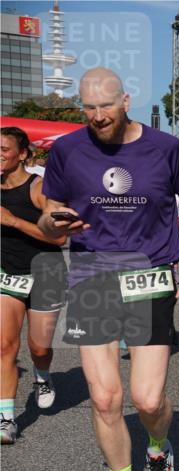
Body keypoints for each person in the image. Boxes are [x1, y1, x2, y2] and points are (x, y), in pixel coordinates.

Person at [37, 67, 179, 471]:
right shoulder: (67, 151)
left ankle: (158, 449)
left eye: (106, 106)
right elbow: (48, 215)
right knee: (104, 396)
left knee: (147, 399)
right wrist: (52, 222)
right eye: (88, 107)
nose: (97, 116)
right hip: (92, 274)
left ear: (126, 100)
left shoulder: (166, 149)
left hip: (149, 275)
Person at [0, 127, 68, 443]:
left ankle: (42, 376)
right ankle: (7, 417)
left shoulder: (40, 189)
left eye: (4, 149)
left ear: (23, 153)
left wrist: (12, 221)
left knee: (39, 347)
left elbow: (61, 236)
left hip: (46, 273)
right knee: (4, 346)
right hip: (7, 274)